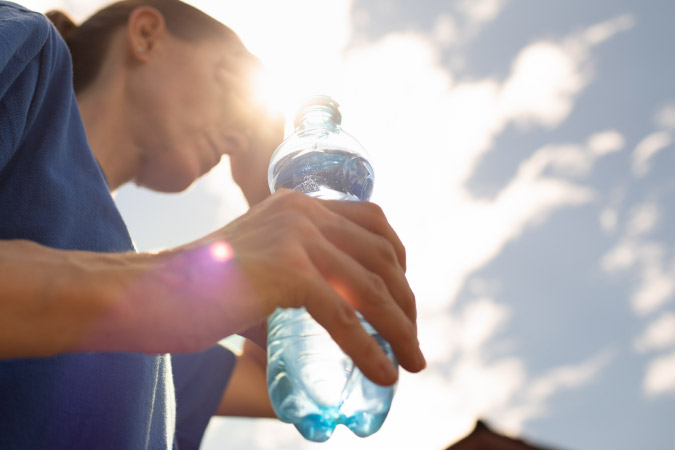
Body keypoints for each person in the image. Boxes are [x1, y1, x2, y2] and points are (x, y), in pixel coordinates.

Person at [0, 1, 426, 449]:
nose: (238, 133)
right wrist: (162, 284)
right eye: (231, 81)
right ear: (146, 35)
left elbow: (288, 384)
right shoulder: (29, 51)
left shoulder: (150, 345)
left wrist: (272, 190)